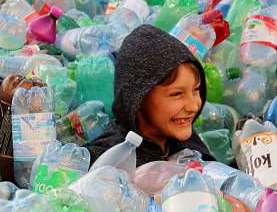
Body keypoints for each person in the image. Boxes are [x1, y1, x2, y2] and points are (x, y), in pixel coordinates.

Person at [87, 24, 215, 166]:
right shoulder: (111, 159)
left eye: (196, 90)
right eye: (177, 94)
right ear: (138, 98)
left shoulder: (184, 142)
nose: (193, 106)